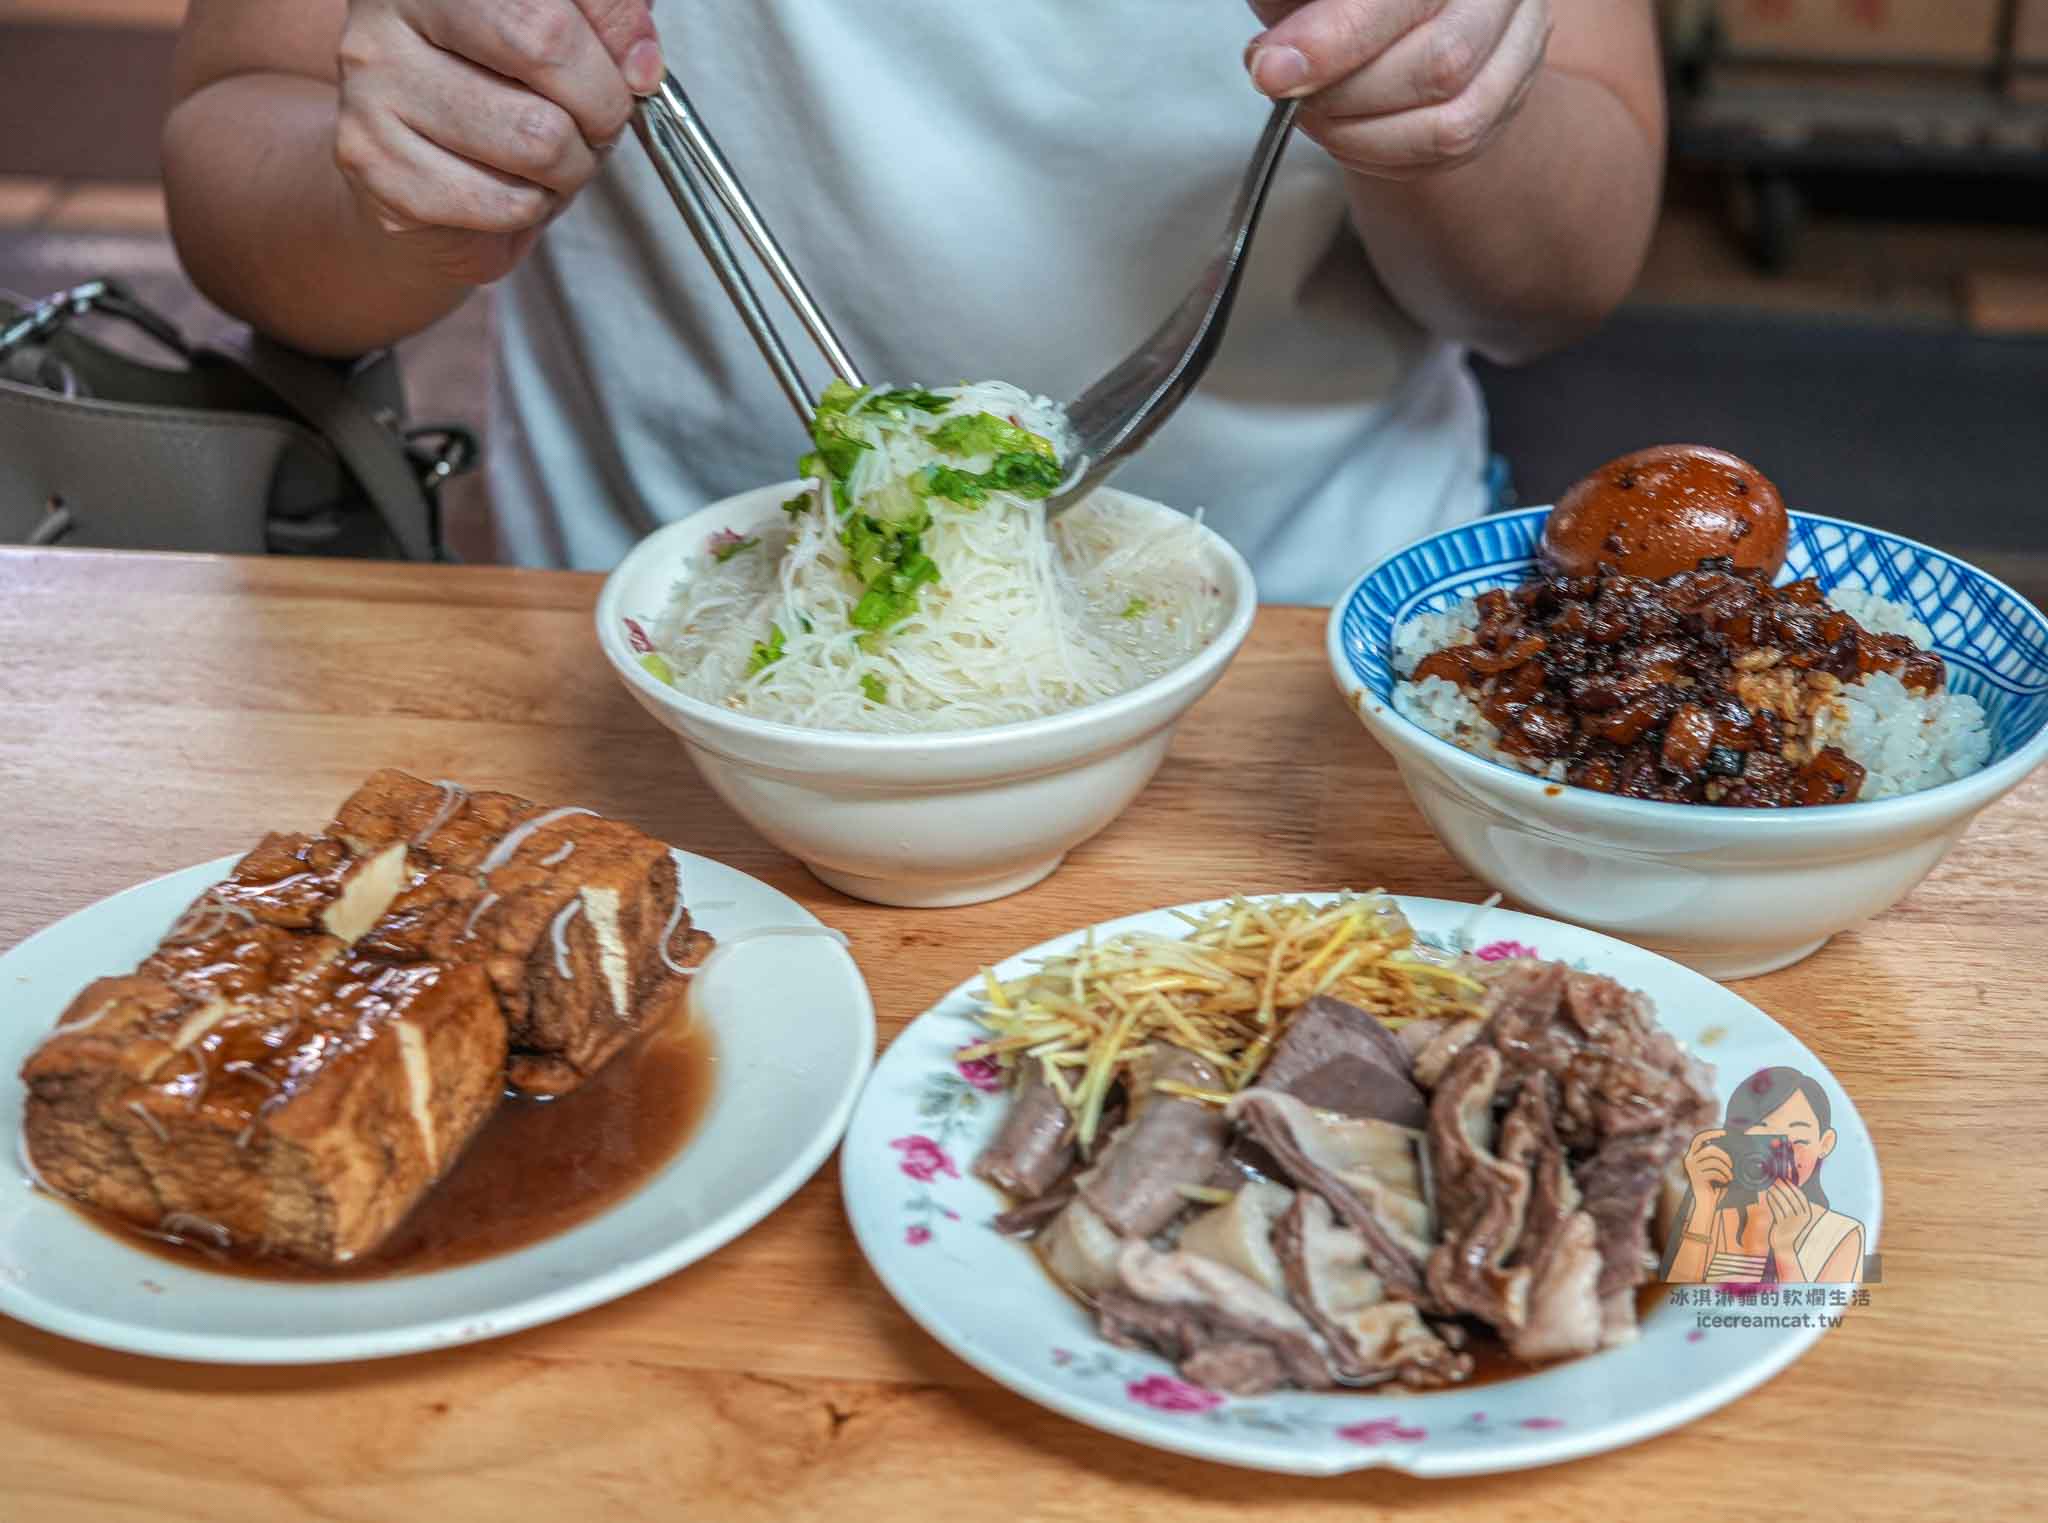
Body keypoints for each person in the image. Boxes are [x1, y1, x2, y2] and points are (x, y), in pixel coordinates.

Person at [162, 1, 1664, 602]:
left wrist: (1463, 108)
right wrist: (408, 181)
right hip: (664, 642)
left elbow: (1555, 278)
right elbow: (242, 159)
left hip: (1315, 638)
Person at [1662, 1067, 1867, 1286]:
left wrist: (1784, 1249)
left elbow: (1802, 1311)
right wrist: (1702, 1204)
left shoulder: (1840, 1234)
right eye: (1761, 1135)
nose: (1778, 1153)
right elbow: (1678, 1292)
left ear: (1824, 1144)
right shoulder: (1709, 1210)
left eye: (1798, 1140)